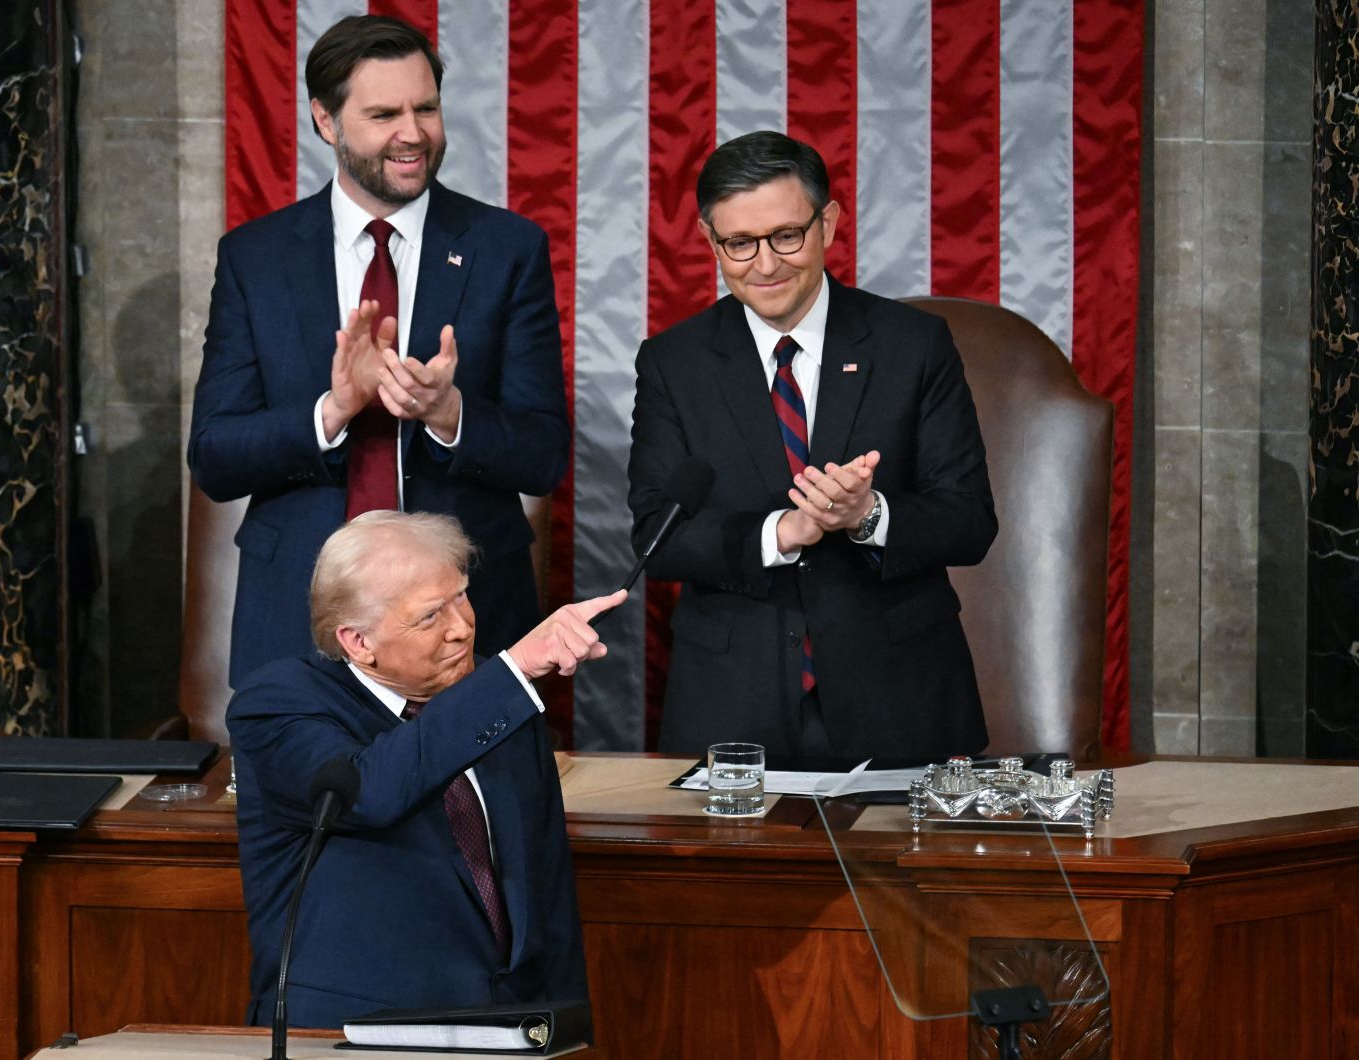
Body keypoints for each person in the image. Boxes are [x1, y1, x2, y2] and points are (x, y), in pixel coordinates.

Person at [189, 15, 568, 687]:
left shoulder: (505, 249)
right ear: (326, 121)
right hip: (298, 613)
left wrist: (449, 413)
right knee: (306, 794)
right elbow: (215, 458)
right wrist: (331, 411)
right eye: (384, 113)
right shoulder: (256, 257)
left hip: (466, 610)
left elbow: (542, 455)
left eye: (426, 108)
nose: (413, 134)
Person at [627, 131, 996, 768]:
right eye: (738, 243)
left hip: (899, 699)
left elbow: (969, 522)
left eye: (786, 236)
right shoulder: (673, 363)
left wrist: (868, 515)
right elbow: (657, 537)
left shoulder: (913, 346)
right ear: (709, 240)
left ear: (828, 221)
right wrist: (783, 530)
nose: (764, 264)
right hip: (731, 706)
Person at [228, 511, 621, 1028]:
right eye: (430, 616)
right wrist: (514, 672)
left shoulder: (494, 698)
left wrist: (567, 1022)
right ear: (357, 642)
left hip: (510, 1025)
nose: (461, 628)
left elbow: (544, 879)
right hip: (353, 1029)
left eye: (460, 595)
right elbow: (368, 790)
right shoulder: (279, 703)